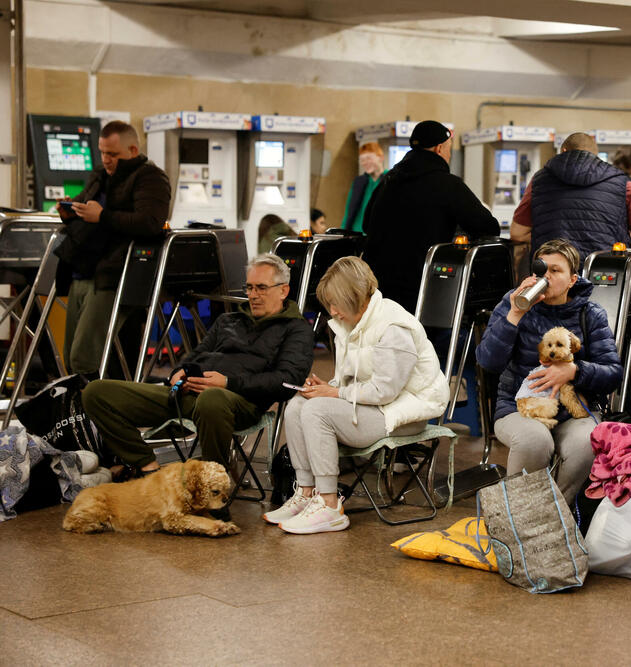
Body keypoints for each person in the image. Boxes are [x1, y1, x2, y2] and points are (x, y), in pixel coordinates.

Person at [82, 254, 314, 479]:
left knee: (212, 398)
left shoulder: (296, 329)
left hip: (238, 402)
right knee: (96, 392)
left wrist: (228, 383)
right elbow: (193, 358)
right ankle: (148, 467)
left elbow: (288, 380)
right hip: (187, 393)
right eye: (249, 288)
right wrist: (177, 374)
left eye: (261, 288)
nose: (253, 295)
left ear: (283, 290)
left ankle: (213, 487)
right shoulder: (228, 321)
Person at [263, 256, 449, 534]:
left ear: (355, 297)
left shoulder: (394, 327)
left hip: (404, 413)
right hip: (373, 406)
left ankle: (328, 504)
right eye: (330, 304)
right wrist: (325, 387)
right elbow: (350, 379)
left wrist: (334, 392)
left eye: (336, 303)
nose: (333, 311)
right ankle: (305, 492)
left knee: (316, 411)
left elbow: (385, 392)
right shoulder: (350, 323)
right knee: (298, 403)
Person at [476, 239, 623, 499]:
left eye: (556, 271)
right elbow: (487, 361)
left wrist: (575, 371)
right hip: (517, 408)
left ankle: (558, 515)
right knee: (535, 440)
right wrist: (515, 314)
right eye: (541, 269)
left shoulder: (590, 314)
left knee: (586, 442)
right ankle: (520, 517)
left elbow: (612, 373)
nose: (547, 276)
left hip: (572, 412)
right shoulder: (513, 305)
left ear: (572, 280)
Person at [54, 120, 170, 376]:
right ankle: (77, 412)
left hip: (114, 274)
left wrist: (103, 216)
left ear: (132, 150)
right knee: (71, 358)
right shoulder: (100, 174)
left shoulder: (151, 178)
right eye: (102, 152)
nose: (106, 159)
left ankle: (95, 411)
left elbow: (151, 222)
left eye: (112, 154)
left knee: (84, 358)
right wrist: (70, 210)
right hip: (83, 269)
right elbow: (87, 204)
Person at [363, 120, 500, 313]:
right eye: (449, 149)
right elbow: (488, 227)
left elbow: (366, 224)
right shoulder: (448, 184)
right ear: (439, 149)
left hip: (377, 287)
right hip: (423, 289)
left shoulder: (388, 181)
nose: (450, 155)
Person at [509, 132, 631, 261]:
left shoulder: (538, 181)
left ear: (563, 151)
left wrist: (544, 239)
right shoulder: (622, 184)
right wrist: (621, 239)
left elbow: (517, 233)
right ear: (595, 155)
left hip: (553, 275)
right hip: (604, 274)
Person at [341, 142, 386, 234]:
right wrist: (343, 231)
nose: (365, 163)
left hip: (380, 235)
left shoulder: (390, 179)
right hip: (357, 233)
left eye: (368, 158)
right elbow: (349, 210)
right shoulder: (359, 182)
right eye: (362, 160)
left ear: (381, 158)